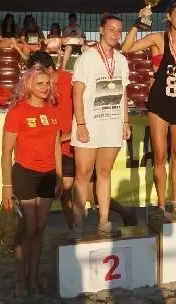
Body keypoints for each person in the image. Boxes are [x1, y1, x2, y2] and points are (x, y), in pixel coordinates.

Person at [26, 51, 137, 230]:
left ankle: (115, 214)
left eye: (41, 75)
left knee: (84, 188)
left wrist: (69, 135)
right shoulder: (40, 89)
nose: (39, 81)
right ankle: (76, 230)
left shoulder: (72, 81)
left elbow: (89, 112)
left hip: (81, 141)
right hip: (61, 147)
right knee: (69, 191)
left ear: (50, 69)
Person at [121, 0, 176, 220]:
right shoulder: (157, 39)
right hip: (159, 104)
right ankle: (161, 206)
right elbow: (126, 48)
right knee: (160, 155)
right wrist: (137, 24)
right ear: (169, 17)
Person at [0, 65, 62, 296]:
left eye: (47, 84)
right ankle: (21, 280)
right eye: (40, 84)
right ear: (28, 86)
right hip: (24, 173)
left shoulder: (53, 111)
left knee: (40, 229)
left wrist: (57, 176)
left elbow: (56, 143)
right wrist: (7, 186)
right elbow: (7, 151)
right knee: (28, 229)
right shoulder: (17, 112)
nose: (45, 88)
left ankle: (34, 279)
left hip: (47, 174)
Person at [70, 13, 131, 240]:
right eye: (112, 29)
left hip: (112, 123)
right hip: (89, 123)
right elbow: (77, 93)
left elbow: (123, 93)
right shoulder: (86, 58)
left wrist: (125, 122)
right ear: (101, 30)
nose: (116, 33)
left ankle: (104, 221)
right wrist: (81, 124)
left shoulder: (122, 60)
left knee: (105, 173)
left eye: (119, 30)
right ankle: (77, 225)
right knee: (83, 174)